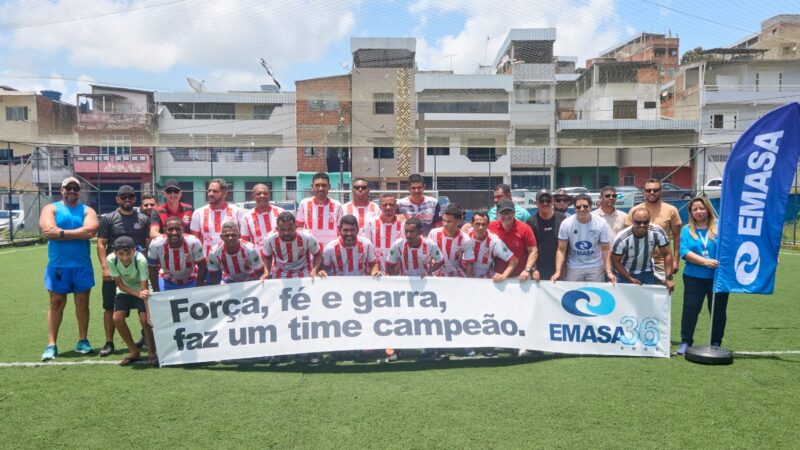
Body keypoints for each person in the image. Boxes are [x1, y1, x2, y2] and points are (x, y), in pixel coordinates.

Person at [39, 177, 99, 361]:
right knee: (56, 303)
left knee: (82, 304)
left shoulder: (87, 210)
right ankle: (51, 345)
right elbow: (48, 231)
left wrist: (61, 233)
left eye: (76, 188)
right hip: (58, 266)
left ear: (79, 191)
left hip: (81, 266)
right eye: (68, 188)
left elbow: (91, 231)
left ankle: (82, 341)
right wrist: (78, 233)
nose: (72, 191)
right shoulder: (51, 208)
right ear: (62, 190)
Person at [96, 185, 150, 358]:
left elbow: (148, 243)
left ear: (135, 199)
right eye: (123, 196)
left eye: (131, 197)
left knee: (144, 305)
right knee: (110, 307)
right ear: (117, 199)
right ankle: (109, 342)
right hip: (116, 269)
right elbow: (101, 243)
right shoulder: (109, 219)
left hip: (137, 269)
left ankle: (146, 339)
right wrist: (105, 267)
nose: (128, 199)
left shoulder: (143, 218)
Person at [676, 197, 729, 356]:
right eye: (695, 209)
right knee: (690, 309)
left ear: (708, 209)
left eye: (702, 208)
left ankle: (715, 342)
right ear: (691, 213)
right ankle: (686, 341)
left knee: (718, 311)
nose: (699, 212)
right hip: (694, 277)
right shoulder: (686, 230)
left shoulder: (720, 227)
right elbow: (684, 252)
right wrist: (705, 262)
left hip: (718, 278)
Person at [106, 236, 156, 367]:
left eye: (128, 253)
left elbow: (144, 288)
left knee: (144, 319)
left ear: (134, 251)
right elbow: (120, 285)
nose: (125, 257)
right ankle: (133, 351)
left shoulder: (141, 260)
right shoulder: (111, 260)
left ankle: (152, 353)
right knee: (117, 319)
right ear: (115, 253)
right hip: (125, 290)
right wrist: (137, 294)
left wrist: (149, 315)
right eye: (121, 254)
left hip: (143, 288)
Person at [627, 178, 682, 282]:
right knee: (638, 296)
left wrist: (675, 260)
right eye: (648, 190)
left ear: (660, 191)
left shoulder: (671, 210)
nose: (652, 192)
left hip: (662, 262)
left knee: (661, 295)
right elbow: (627, 236)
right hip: (639, 262)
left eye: (656, 190)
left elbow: (677, 238)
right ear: (644, 192)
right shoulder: (635, 211)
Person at [551, 194, 615, 283]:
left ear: (590, 207)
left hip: (595, 266)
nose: (582, 209)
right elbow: (561, 250)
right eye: (578, 207)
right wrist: (558, 271)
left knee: (596, 294)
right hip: (574, 266)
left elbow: (606, 249)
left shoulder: (601, 223)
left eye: (585, 206)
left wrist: (608, 272)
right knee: (573, 294)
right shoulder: (566, 223)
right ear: (574, 209)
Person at [611, 209, 674, 292]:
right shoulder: (622, 238)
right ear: (632, 221)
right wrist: (630, 278)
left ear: (649, 221)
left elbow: (667, 254)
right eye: (638, 222)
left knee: (647, 302)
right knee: (626, 303)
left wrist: (668, 278)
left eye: (646, 222)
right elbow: (616, 261)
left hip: (647, 271)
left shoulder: (657, 232)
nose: (642, 225)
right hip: (626, 272)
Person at [190, 178, 248, 257]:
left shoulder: (238, 212)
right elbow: (195, 241)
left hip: (233, 261)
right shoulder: (198, 213)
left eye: (215, 191)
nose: (210, 194)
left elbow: (244, 239)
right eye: (209, 191)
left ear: (224, 193)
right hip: (208, 261)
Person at [148, 216, 208, 291]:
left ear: (183, 229)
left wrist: (198, 288)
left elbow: (202, 265)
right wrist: (156, 291)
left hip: (191, 280)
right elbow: (152, 268)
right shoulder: (156, 243)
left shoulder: (193, 242)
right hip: (167, 281)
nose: (174, 233)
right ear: (164, 231)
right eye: (170, 229)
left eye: (178, 229)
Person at [261, 212, 323, 279]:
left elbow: (318, 254)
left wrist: (315, 270)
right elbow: (267, 256)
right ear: (277, 229)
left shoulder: (307, 237)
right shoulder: (269, 239)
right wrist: (266, 272)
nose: (286, 233)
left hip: (305, 273)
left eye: (290, 229)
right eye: (282, 230)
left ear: (296, 227)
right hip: (280, 274)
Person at [488, 200, 538, 282]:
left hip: (521, 278)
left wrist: (527, 270)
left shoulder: (525, 228)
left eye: (510, 212)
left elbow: (533, 251)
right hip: (497, 277)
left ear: (514, 213)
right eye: (503, 213)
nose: (507, 216)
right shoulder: (490, 227)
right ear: (497, 214)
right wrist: (466, 225)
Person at [296, 172, 344, 250]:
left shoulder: (337, 205)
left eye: (324, 185)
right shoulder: (304, 203)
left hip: (331, 250)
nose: (320, 188)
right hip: (310, 250)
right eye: (317, 185)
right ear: (312, 187)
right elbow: (299, 227)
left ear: (329, 187)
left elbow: (340, 230)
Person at [464, 212, 517, 282]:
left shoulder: (494, 241)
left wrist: (503, 276)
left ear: (488, 224)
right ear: (471, 224)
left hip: (485, 280)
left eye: (484, 224)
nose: (481, 227)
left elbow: (514, 260)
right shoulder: (465, 235)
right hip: (464, 279)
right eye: (477, 224)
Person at [525, 189, 565, 281]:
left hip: (559, 269)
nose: (545, 203)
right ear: (536, 203)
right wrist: (533, 269)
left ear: (553, 202)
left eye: (548, 200)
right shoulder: (530, 222)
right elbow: (529, 249)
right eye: (541, 201)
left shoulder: (562, 219)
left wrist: (563, 267)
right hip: (538, 270)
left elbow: (565, 247)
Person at [363, 193, 405, 272]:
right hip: (376, 267)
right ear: (380, 207)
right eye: (385, 205)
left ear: (396, 207)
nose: (388, 207)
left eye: (391, 204)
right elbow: (367, 246)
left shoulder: (403, 223)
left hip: (397, 267)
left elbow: (404, 246)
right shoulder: (370, 222)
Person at [242, 183, 284, 260]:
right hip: (258, 260)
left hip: (280, 259)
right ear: (253, 196)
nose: (262, 195)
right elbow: (245, 242)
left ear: (269, 195)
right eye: (258, 194)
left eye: (265, 193)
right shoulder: (247, 217)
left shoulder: (280, 212)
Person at [427, 204, 469, 277]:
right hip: (435, 275)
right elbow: (427, 255)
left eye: (449, 221)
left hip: (456, 276)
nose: (445, 224)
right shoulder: (433, 233)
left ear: (458, 221)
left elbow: (468, 263)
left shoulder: (466, 239)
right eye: (444, 220)